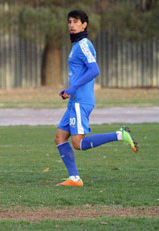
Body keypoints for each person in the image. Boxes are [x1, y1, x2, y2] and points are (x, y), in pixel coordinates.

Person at [55, 10, 138, 187]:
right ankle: (75, 179)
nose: (71, 25)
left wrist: (72, 88)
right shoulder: (77, 45)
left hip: (80, 100)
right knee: (60, 137)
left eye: (76, 22)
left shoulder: (84, 44)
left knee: (78, 143)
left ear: (84, 25)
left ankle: (119, 135)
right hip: (74, 100)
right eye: (69, 22)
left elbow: (94, 70)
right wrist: (69, 90)